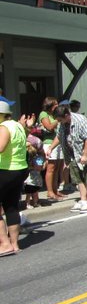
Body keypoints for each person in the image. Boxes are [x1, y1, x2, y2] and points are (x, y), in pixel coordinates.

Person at [48, 104, 87, 213]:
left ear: (67, 115)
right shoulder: (61, 124)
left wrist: (85, 155)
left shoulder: (80, 120)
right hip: (72, 153)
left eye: (60, 119)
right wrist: (50, 148)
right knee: (77, 176)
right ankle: (83, 200)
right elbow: (59, 136)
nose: (59, 122)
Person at [0, 100, 30, 256]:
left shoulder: (4, 127)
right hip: (19, 169)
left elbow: (1, 147)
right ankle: (15, 244)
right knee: (11, 207)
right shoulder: (18, 125)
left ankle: (4, 244)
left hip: (5, 170)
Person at [39, 97, 64, 201]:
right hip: (49, 143)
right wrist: (58, 120)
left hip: (58, 142)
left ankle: (55, 190)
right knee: (51, 168)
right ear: (50, 105)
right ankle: (49, 192)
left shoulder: (54, 114)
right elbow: (49, 127)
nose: (57, 106)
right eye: (55, 104)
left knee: (57, 168)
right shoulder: (43, 114)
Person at [24, 134, 44, 208]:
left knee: (30, 192)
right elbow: (40, 168)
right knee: (33, 192)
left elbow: (40, 167)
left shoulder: (28, 159)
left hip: (32, 178)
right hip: (34, 178)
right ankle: (31, 203)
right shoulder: (37, 158)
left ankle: (31, 203)